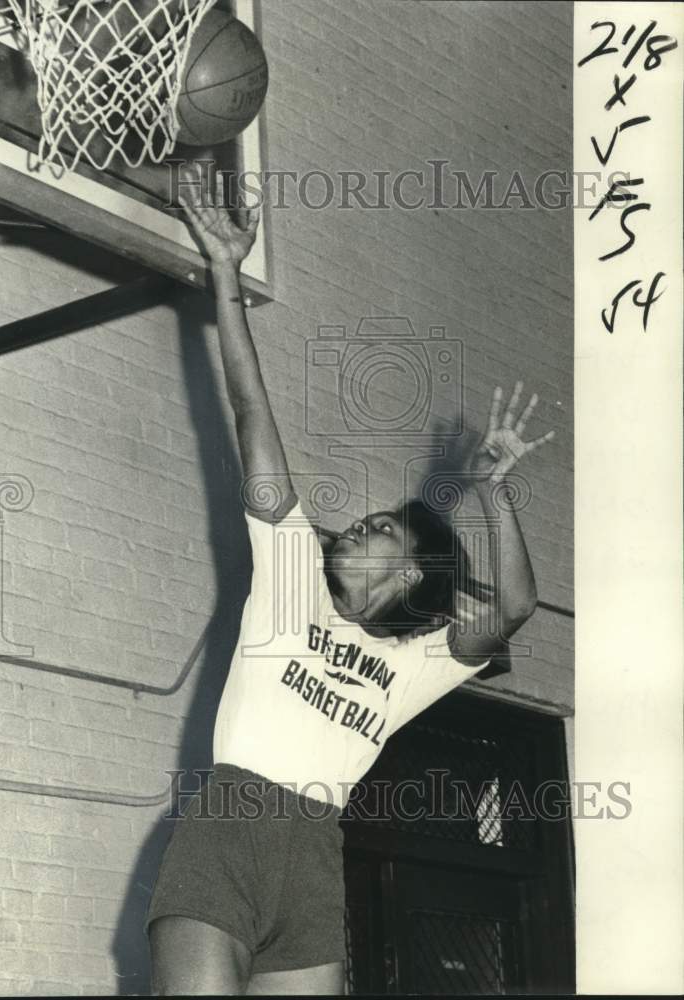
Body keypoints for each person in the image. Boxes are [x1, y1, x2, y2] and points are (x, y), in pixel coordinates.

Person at [145, 167, 554, 995]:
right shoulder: (290, 574)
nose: (357, 527)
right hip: (227, 831)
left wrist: (496, 489)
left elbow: (514, 606)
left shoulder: (415, 666)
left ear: (407, 572)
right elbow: (252, 416)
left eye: (377, 531)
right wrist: (225, 272)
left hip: (313, 862)